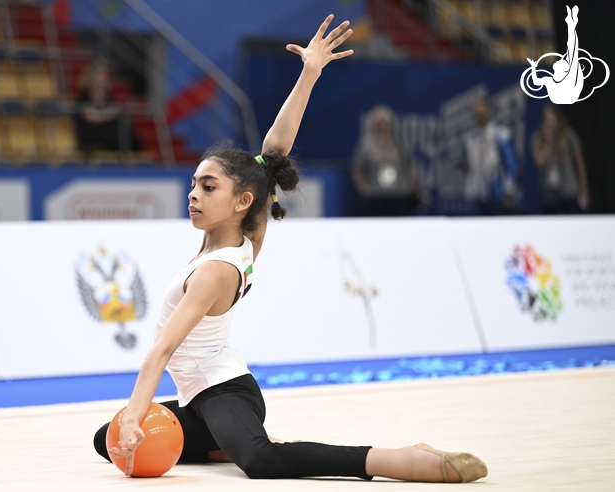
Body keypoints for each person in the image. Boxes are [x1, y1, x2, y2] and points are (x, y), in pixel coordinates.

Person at [92, 16, 488, 483]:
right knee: (106, 438)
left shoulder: (216, 270)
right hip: (202, 400)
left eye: (208, 185)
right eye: (193, 183)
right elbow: (272, 155)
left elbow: (161, 351)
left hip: (225, 392)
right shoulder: (245, 237)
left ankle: (395, 458)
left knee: (260, 464)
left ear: (241, 201)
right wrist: (310, 73)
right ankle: (233, 442)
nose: (193, 193)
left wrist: (138, 415)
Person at [351, 105, 424, 216]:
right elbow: (357, 169)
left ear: (391, 125)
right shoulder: (366, 145)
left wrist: (416, 189)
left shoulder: (399, 144)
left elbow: (408, 168)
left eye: (385, 124)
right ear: (373, 125)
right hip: (376, 196)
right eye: (379, 124)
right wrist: (363, 189)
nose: (382, 127)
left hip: (399, 195)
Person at [461, 97, 519, 215]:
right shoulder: (469, 137)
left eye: (483, 112)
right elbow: (466, 161)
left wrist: (509, 190)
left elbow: (511, 163)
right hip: (477, 189)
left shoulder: (501, 134)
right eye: (477, 113)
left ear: (489, 112)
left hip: (497, 188)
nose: (479, 116)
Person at [531, 104, 589, 213]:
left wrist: (584, 186)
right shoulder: (537, 138)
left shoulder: (569, 136)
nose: (549, 123)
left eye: (552, 119)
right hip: (549, 191)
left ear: (558, 119)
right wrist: (548, 142)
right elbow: (540, 162)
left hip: (569, 189)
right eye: (546, 120)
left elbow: (579, 162)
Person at [73, 64, 142, 154]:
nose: (103, 81)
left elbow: (117, 109)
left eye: (104, 79)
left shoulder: (108, 97)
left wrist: (112, 112)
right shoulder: (83, 97)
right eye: (100, 78)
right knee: (113, 134)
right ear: (92, 80)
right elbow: (91, 117)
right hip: (91, 132)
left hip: (109, 132)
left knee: (131, 135)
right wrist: (111, 113)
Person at [526, 6, 583, 105]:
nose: (559, 60)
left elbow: (572, 47)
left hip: (569, 97)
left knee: (572, 52)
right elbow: (536, 82)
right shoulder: (549, 80)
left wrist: (571, 26)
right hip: (561, 99)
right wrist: (533, 68)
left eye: (561, 62)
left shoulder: (569, 78)